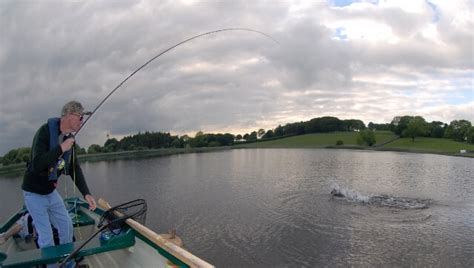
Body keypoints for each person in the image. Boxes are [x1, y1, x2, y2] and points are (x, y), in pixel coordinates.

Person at [22, 101, 96, 268]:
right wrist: (61, 148)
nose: (82, 121)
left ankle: (67, 265)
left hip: (50, 193)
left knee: (66, 227)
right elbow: (37, 164)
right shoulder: (44, 132)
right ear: (69, 115)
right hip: (33, 194)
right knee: (46, 237)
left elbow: (73, 167)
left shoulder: (70, 139)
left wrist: (86, 194)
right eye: (80, 117)